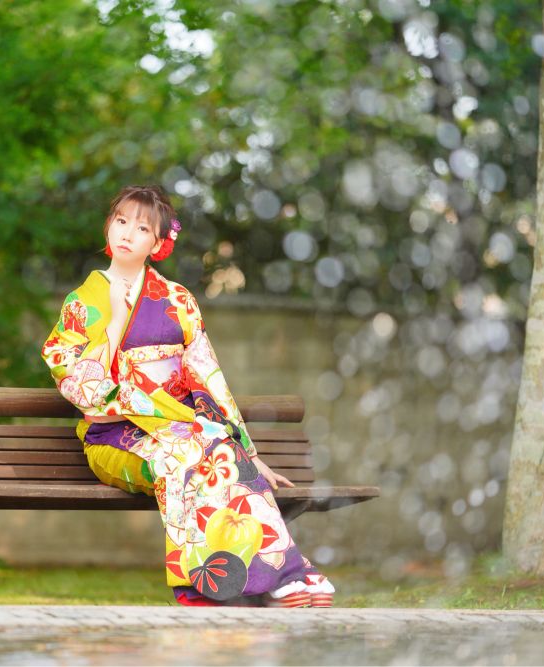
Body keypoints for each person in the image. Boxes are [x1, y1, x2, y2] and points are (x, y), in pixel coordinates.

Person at [41, 184, 335, 607]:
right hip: (113, 437)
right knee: (184, 455)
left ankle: (281, 578)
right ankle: (216, 587)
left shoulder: (178, 300)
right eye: (121, 221)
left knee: (222, 453)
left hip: (179, 429)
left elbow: (208, 377)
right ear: (108, 226)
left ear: (158, 243)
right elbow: (75, 380)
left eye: (142, 228)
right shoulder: (81, 302)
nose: (127, 233)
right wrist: (115, 320)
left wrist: (248, 452)